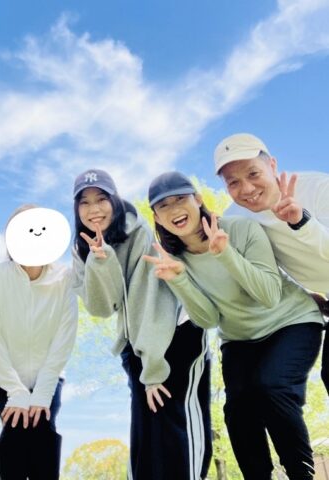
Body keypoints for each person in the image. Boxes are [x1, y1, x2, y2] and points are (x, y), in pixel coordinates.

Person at [144, 171, 324, 480]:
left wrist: (225, 254)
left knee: (271, 386)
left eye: (180, 199)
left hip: (291, 321)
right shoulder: (174, 260)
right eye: (164, 206)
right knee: (238, 411)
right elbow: (209, 320)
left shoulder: (241, 229)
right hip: (239, 338)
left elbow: (269, 295)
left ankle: (302, 474)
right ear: (157, 217)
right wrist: (180, 280)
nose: (174, 210)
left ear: (198, 200)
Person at [72, 169, 212, 480]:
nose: (94, 209)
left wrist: (153, 369)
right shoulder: (82, 247)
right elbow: (101, 307)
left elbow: (150, 300)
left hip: (173, 337)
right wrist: (100, 260)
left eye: (101, 199)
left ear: (115, 200)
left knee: (176, 438)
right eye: (85, 202)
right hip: (138, 344)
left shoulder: (138, 232)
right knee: (146, 449)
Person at [214, 132, 329, 394]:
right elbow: (262, 270)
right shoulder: (236, 220)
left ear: (273, 165)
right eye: (233, 182)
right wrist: (304, 296)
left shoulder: (318, 188)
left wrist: (301, 222)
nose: (247, 189)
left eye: (253, 174)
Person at [0, 205, 78, 480]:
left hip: (49, 375)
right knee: (19, 429)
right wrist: (16, 391)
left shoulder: (64, 278)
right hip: (3, 376)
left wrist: (42, 393)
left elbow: (64, 336)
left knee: (41, 429)